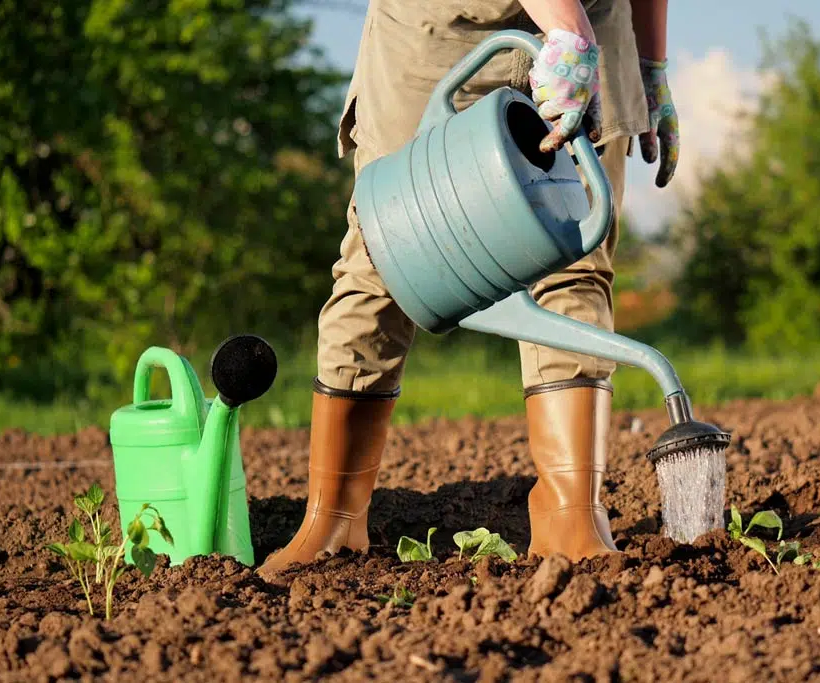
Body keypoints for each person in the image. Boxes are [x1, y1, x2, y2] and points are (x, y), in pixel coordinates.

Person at [258, 0, 679, 578]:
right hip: (437, 33)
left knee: (574, 253)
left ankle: (571, 512)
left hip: (592, 24)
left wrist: (650, 62)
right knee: (383, 258)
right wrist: (567, 30)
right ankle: (333, 517)